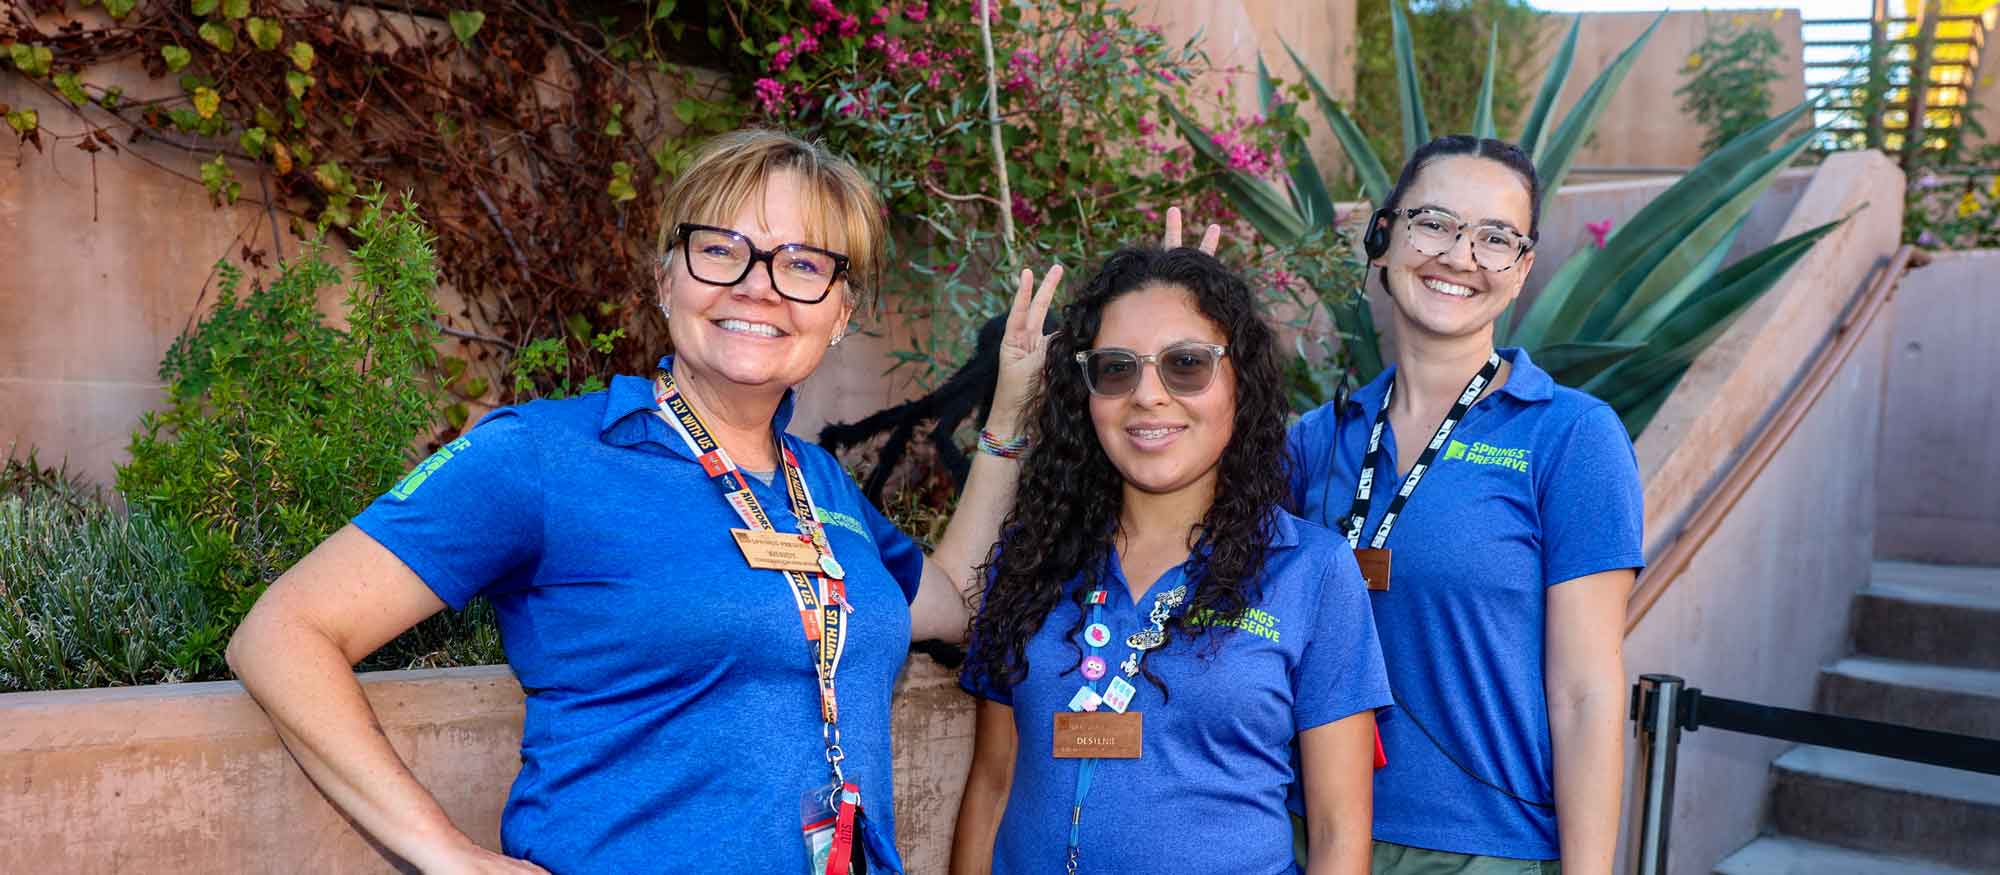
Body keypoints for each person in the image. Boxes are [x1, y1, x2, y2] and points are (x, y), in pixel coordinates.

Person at [223, 128, 1066, 874]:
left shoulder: (824, 486)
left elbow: (955, 603)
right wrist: (443, 852)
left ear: (840, 313)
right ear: (667, 279)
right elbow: (282, 632)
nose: (758, 286)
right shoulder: (546, 456)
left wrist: (1008, 412)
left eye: (803, 264)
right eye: (721, 250)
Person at [951, 246, 1392, 875]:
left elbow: (1337, 833)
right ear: (1086, 393)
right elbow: (993, 790)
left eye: (1186, 364)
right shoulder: (1031, 560)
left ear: (1241, 380)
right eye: (1117, 368)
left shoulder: (1312, 571)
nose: (1148, 396)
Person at [1284, 135, 1643, 874]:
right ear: (1384, 238)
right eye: (1435, 223)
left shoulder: (1569, 435)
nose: (1460, 255)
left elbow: (1585, 689)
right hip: (1305, 832)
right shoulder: (1317, 440)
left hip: (1484, 848)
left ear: (1522, 270)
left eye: (1495, 237)